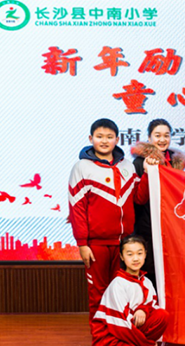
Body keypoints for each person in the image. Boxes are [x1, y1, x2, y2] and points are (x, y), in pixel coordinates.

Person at [69, 118, 151, 323]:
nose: (104, 141)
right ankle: (100, 340)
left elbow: (139, 198)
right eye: (99, 137)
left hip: (124, 244)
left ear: (117, 139)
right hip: (96, 244)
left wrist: (148, 175)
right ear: (91, 139)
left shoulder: (127, 165)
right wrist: (82, 244)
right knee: (98, 293)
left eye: (109, 137)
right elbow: (77, 209)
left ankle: (118, 335)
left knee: (122, 293)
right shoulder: (81, 168)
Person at [88, 235, 170, 346]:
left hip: (129, 334)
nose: (135, 258)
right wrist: (148, 345)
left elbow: (153, 307)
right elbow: (120, 327)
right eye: (130, 254)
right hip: (111, 339)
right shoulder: (118, 284)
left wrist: (142, 309)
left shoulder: (146, 282)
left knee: (162, 315)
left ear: (145, 254)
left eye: (139, 253)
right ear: (122, 256)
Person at [131, 119, 185, 290]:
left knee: (172, 273)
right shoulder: (140, 162)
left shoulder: (176, 164)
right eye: (157, 135)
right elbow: (138, 198)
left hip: (172, 228)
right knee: (151, 273)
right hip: (148, 226)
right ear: (149, 138)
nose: (162, 140)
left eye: (166, 135)